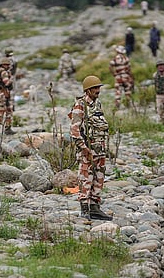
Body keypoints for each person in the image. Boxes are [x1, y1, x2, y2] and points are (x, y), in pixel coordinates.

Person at [69, 75, 112, 221]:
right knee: (86, 178)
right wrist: (84, 148)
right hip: (87, 149)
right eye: (94, 88)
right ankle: (85, 209)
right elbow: (74, 130)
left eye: (98, 87)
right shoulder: (80, 105)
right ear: (87, 90)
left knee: (99, 178)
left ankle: (94, 207)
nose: (97, 90)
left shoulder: (97, 104)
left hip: (99, 148)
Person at [0, 57, 16, 135]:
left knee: (0, 110)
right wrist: (11, 79)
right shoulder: (4, 73)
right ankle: (7, 128)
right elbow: (7, 83)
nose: (8, 66)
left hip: (0, 94)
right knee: (7, 110)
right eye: (8, 65)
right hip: (4, 93)